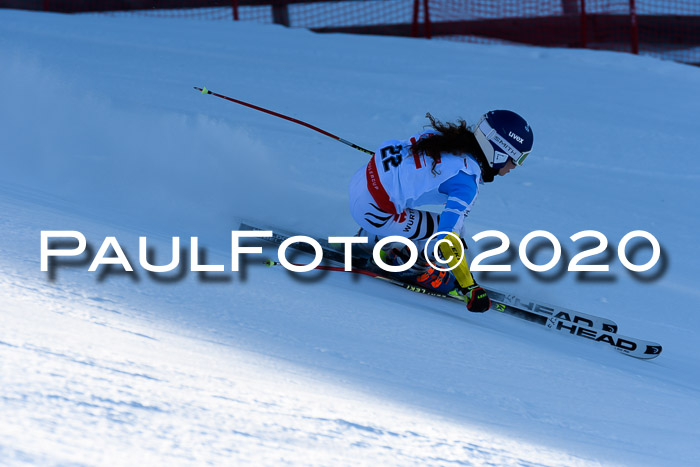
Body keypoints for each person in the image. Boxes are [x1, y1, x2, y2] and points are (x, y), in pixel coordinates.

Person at [348, 110, 534, 313]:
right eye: (516, 158)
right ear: (499, 151)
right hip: (373, 211)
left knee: (415, 213)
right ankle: (411, 267)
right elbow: (447, 238)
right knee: (453, 231)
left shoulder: (446, 140)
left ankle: (370, 239)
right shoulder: (466, 181)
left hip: (361, 183)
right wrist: (469, 286)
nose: (515, 166)